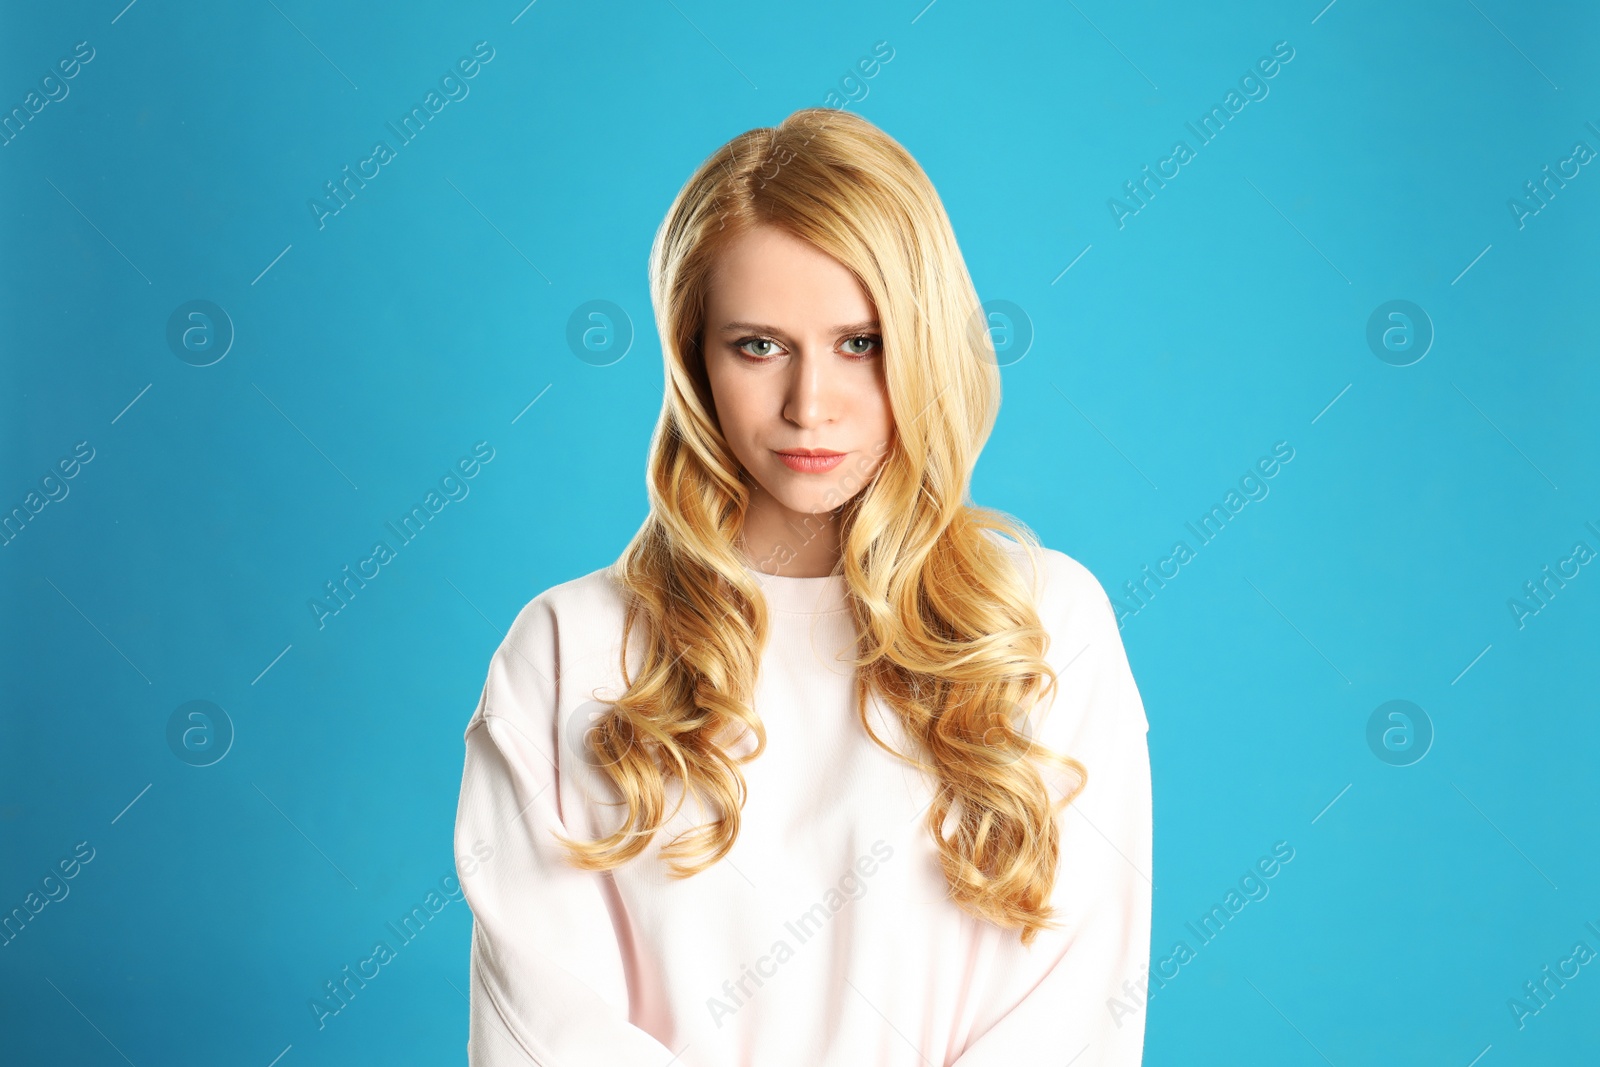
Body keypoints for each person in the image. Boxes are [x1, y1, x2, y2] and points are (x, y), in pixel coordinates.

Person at [453, 106, 1152, 1066]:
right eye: (759, 345)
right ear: (695, 357)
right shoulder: (567, 649)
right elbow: (549, 1030)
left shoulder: (1043, 629)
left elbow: (1072, 1015)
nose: (808, 405)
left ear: (924, 343)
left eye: (859, 343)